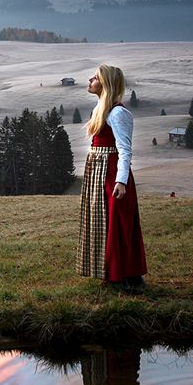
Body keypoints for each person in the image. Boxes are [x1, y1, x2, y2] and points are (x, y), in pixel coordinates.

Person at [76, 64, 147, 291]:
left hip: (111, 173)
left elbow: (125, 150)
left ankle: (123, 275)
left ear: (105, 84)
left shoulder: (117, 113)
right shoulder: (101, 109)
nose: (90, 80)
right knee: (103, 221)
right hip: (99, 170)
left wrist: (121, 181)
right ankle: (114, 272)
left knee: (116, 222)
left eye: (95, 78)